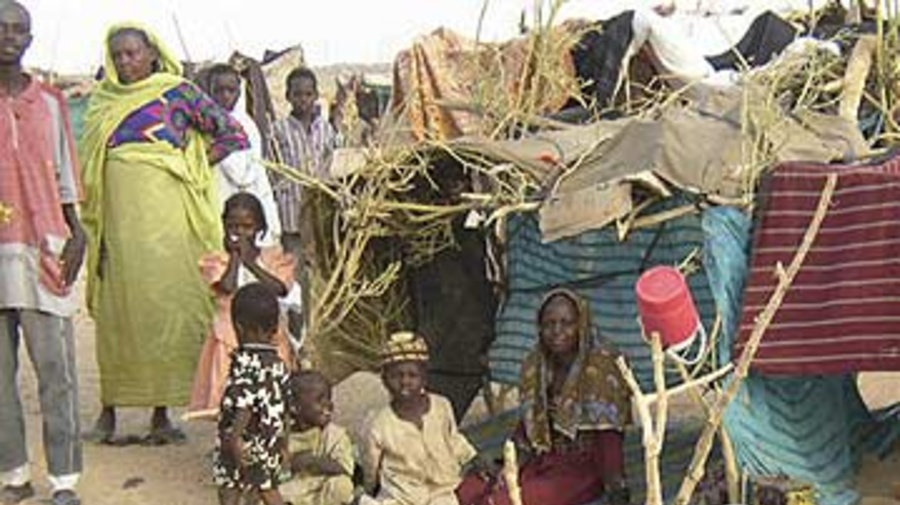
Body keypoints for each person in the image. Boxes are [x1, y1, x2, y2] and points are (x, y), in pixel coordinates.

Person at [79, 23, 249, 445]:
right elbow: (88, 165)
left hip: (169, 228)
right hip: (119, 228)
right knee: (118, 317)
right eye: (117, 55)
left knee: (166, 312)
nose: (124, 62)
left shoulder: (179, 93)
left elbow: (233, 134)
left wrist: (192, 164)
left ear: (152, 54)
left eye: (132, 53)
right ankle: (109, 412)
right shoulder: (103, 101)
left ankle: (161, 416)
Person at [0, 3, 85, 504]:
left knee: (56, 371)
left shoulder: (50, 103)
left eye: (18, 30)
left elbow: (66, 177)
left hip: (44, 250)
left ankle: (64, 479)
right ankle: (14, 473)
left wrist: (78, 232)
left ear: (29, 39)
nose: (9, 37)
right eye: (1, 29)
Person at [457, 288, 633, 505]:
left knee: (500, 501)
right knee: (469, 490)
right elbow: (528, 427)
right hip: (542, 458)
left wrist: (616, 486)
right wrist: (510, 467)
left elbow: (609, 437)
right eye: (549, 323)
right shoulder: (537, 365)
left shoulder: (601, 368)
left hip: (581, 469)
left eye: (566, 323)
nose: (557, 331)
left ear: (581, 325)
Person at [188, 192, 301, 418]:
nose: (240, 233)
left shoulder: (273, 258)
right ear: (224, 226)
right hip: (230, 337)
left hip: (269, 335)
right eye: (233, 226)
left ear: (260, 228)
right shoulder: (218, 260)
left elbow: (280, 288)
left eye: (247, 227)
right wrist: (236, 258)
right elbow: (226, 287)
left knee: (269, 393)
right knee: (229, 394)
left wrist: (250, 263)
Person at [359, 332, 478, 505]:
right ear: (384, 380)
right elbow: (371, 468)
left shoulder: (441, 406)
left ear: (424, 377)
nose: (405, 382)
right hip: (401, 497)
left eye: (412, 375)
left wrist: (473, 459)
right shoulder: (378, 423)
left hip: (443, 492)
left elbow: (453, 439)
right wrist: (370, 490)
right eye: (396, 376)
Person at [214, 283, 289, 505]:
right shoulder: (279, 364)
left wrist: (235, 438)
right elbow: (284, 407)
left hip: (242, 439)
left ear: (238, 327)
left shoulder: (246, 362)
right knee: (267, 488)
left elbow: (245, 403)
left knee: (229, 487)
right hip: (270, 440)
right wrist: (285, 445)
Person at [201, 63, 282, 247]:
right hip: (218, 201)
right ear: (209, 92)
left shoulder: (246, 126)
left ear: (240, 91)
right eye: (219, 90)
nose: (225, 96)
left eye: (231, 90)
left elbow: (244, 173)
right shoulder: (205, 124)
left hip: (247, 203)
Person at [271, 66, 338, 280]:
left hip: (321, 216)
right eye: (297, 94)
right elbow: (271, 171)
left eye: (308, 94)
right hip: (291, 217)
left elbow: (333, 167)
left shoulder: (327, 130)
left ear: (316, 95)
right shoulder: (278, 130)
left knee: (322, 273)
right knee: (293, 274)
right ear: (288, 96)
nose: (303, 99)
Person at [280, 370, 355, 505]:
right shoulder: (281, 437)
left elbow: (345, 469)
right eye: (320, 400)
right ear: (295, 408)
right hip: (290, 495)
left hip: (319, 495)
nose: (328, 404)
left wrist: (311, 460)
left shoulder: (334, 435)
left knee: (342, 485)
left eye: (329, 398)